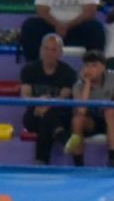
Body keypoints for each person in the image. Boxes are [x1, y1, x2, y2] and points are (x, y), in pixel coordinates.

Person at [65, 49, 114, 166]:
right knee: (77, 120)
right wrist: (87, 84)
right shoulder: (78, 85)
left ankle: (113, 159)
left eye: (94, 66)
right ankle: (78, 164)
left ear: (103, 67)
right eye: (87, 66)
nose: (89, 69)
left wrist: (106, 107)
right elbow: (81, 110)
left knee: (110, 111)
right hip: (94, 121)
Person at [20, 32, 78, 163]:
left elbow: (63, 98)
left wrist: (47, 104)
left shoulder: (68, 72)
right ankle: (62, 135)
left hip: (59, 114)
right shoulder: (29, 69)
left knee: (46, 120)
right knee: (43, 118)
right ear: (41, 50)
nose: (49, 53)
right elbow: (25, 96)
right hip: (34, 113)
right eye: (46, 49)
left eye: (53, 49)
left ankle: (41, 161)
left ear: (60, 52)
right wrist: (38, 102)